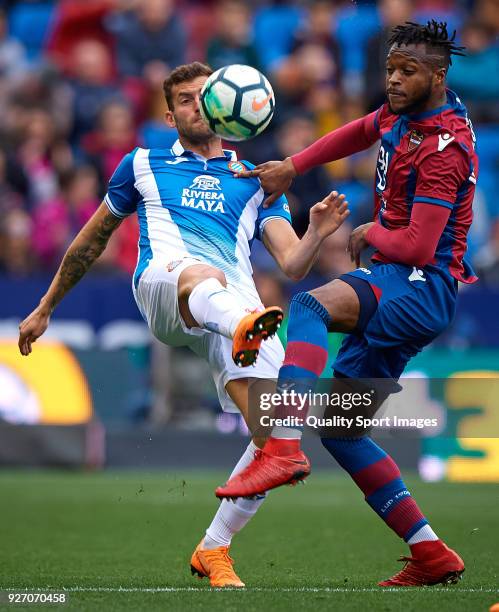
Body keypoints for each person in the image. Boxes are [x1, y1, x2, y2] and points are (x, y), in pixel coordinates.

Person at [17, 62, 349, 588]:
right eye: (187, 99)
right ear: (170, 114)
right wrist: (45, 306)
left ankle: (214, 549)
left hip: (239, 312)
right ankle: (242, 324)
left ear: (224, 103)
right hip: (165, 288)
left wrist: (317, 231)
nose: (199, 105)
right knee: (202, 272)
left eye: (206, 95)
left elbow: (291, 264)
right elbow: (91, 239)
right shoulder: (142, 163)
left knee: (279, 431)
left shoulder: (256, 179)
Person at [216, 21, 477, 588]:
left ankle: (282, 446)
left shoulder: (443, 149)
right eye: (389, 69)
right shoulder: (402, 115)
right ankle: (431, 551)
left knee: (309, 307)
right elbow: (358, 132)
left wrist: (372, 229)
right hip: (397, 281)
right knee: (341, 430)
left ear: (439, 74)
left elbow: (419, 245)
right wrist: (294, 165)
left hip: (419, 285)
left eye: (407, 72)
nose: (394, 81)